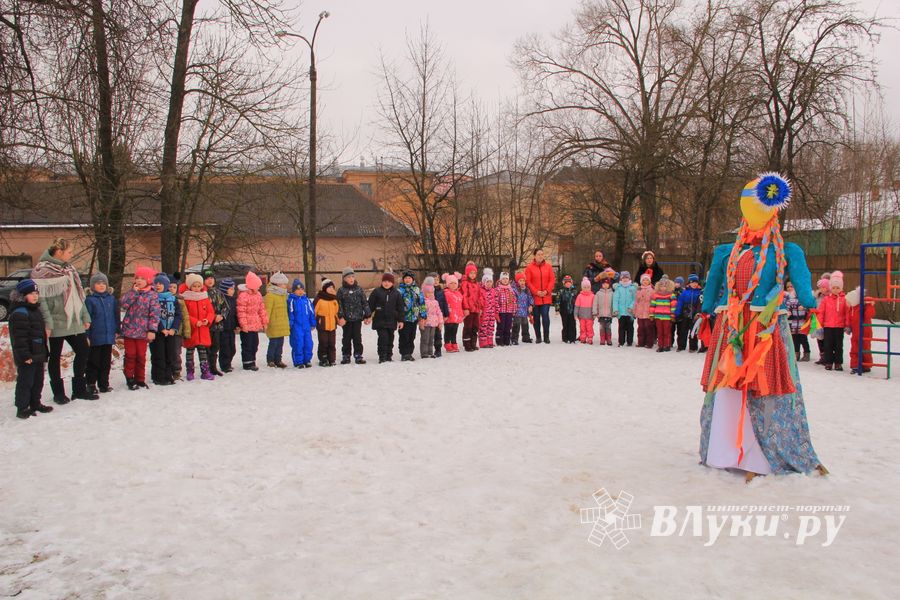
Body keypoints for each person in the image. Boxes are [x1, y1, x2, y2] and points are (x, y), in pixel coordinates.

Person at [699, 173, 825, 479]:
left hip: (765, 330)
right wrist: (705, 312)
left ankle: (761, 456)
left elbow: (803, 284)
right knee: (730, 385)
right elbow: (713, 284)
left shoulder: (786, 250)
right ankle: (726, 450)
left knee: (764, 387)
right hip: (733, 329)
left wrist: (811, 304)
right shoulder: (727, 251)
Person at [30, 238, 94, 403]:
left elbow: (78, 295)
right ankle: (58, 393)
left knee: (83, 350)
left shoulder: (69, 269)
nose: (71, 255)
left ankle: (79, 389)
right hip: (56, 321)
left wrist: (85, 316)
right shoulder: (41, 271)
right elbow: (41, 300)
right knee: (55, 356)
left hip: (73, 319)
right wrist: (48, 322)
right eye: (69, 252)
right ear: (59, 252)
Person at [8, 279, 54, 419]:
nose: (35, 296)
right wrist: (25, 355)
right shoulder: (20, 313)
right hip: (27, 355)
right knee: (25, 381)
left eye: (36, 293)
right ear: (23, 295)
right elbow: (19, 339)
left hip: (38, 353)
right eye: (31, 293)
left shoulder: (34, 310)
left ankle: (35, 403)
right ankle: (22, 407)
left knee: (37, 380)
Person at [119, 266, 161, 390]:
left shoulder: (152, 295)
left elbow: (155, 314)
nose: (139, 280)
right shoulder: (132, 292)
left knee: (141, 356)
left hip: (143, 331)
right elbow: (123, 304)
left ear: (148, 280)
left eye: (142, 278)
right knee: (130, 354)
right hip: (129, 330)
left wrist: (152, 330)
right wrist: (134, 293)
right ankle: (129, 377)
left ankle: (140, 378)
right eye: (137, 278)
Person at [84, 272, 119, 394]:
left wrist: (116, 330)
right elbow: (87, 319)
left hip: (108, 336)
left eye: (104, 283)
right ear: (93, 286)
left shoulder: (111, 298)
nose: (101, 285)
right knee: (93, 361)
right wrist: (86, 335)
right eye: (98, 283)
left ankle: (104, 383)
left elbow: (115, 315)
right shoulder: (90, 300)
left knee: (105, 362)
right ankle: (91, 384)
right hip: (95, 336)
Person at [180, 273, 216, 381]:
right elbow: (185, 314)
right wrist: (195, 322)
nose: (196, 288)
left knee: (203, 351)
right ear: (190, 286)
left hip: (203, 330)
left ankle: (205, 371)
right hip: (192, 329)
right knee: (190, 352)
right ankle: (190, 371)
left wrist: (207, 320)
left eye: (198, 286)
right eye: (194, 286)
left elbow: (211, 312)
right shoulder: (186, 298)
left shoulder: (204, 298)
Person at [150, 273, 181, 386]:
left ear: (166, 285)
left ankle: (168, 375)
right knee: (158, 355)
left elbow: (178, 315)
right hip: (159, 332)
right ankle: (158, 376)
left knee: (170, 354)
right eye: (156, 283)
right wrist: (161, 328)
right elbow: (153, 315)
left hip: (170, 332)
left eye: (160, 283)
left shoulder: (172, 299)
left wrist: (174, 328)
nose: (158, 285)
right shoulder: (153, 298)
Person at [336, 267, 371, 365]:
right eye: (348, 277)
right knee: (346, 338)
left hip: (357, 319)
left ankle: (358, 355)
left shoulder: (359, 289)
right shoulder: (341, 290)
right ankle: (346, 355)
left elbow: (364, 302)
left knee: (357, 337)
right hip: (346, 320)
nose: (351, 279)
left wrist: (368, 315)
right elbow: (339, 304)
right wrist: (341, 316)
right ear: (344, 279)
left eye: (352, 277)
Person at [368, 272, 405, 363]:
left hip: (392, 320)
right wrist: (367, 316)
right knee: (383, 338)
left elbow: (400, 308)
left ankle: (389, 355)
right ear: (382, 282)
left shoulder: (396, 293)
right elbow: (370, 305)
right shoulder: (377, 292)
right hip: (380, 320)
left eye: (389, 281)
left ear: (392, 283)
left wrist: (401, 320)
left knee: (390, 338)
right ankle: (382, 356)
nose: (386, 283)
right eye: (385, 281)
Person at [818, 270, 849, 372]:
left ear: (841, 288)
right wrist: (820, 324)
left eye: (838, 288)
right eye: (834, 288)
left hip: (839, 326)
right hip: (828, 326)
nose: (835, 290)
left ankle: (838, 363)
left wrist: (847, 324)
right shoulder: (826, 299)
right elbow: (821, 312)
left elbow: (847, 312)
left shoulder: (844, 299)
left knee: (838, 346)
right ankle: (828, 362)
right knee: (828, 345)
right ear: (830, 288)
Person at [237, 271, 268, 371]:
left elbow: (261, 309)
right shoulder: (243, 296)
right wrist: (244, 325)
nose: (259, 288)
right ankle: (247, 362)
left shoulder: (258, 295)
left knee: (255, 343)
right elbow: (241, 312)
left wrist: (264, 322)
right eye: (257, 286)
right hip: (246, 325)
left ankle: (252, 360)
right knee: (247, 344)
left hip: (254, 324)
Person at [525, 249, 556, 344]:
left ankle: (546, 337)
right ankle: (538, 337)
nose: (540, 256)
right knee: (536, 318)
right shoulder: (529, 268)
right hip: (535, 297)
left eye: (542, 254)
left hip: (546, 297)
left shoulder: (548, 267)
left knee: (545, 317)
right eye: (538, 254)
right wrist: (536, 292)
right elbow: (528, 282)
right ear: (534, 256)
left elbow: (552, 280)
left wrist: (547, 291)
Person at [203, 270, 228, 376]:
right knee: (206, 348)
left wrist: (221, 316)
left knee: (215, 347)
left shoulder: (218, 293)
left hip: (217, 325)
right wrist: (212, 317)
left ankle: (213, 367)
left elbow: (226, 307)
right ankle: (206, 368)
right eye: (208, 278)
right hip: (206, 325)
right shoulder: (202, 293)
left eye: (212, 278)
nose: (210, 280)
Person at [263, 272, 290, 369]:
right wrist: (265, 322)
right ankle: (270, 360)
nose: (285, 286)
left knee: (280, 343)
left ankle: (278, 359)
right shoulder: (270, 295)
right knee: (273, 343)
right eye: (284, 284)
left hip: (281, 323)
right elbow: (267, 310)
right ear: (277, 284)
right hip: (274, 324)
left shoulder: (283, 295)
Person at [397, 270, 426, 361]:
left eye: (409, 278)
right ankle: (404, 353)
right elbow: (396, 304)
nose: (407, 279)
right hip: (404, 318)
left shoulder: (417, 289)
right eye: (405, 278)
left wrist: (423, 314)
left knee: (411, 336)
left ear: (412, 279)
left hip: (414, 318)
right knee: (404, 336)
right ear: (403, 279)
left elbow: (421, 302)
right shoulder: (399, 290)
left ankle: (409, 352)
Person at [287, 279, 316, 368]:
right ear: (294, 291)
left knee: (308, 343)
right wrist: (290, 324)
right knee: (298, 343)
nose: (300, 291)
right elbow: (291, 313)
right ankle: (298, 361)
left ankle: (307, 360)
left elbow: (311, 312)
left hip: (306, 326)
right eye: (298, 290)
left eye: (302, 289)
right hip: (297, 326)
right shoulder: (292, 301)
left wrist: (312, 323)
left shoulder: (306, 300)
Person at [846, 286, 875, 374]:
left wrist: (869, 305)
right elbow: (850, 318)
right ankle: (855, 365)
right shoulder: (852, 308)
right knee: (854, 349)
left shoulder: (864, 306)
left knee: (865, 348)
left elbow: (869, 315)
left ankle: (866, 365)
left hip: (865, 332)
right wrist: (848, 326)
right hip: (855, 333)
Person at [314, 279, 339, 367]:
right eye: (329, 287)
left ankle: (331, 359)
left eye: (332, 287)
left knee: (332, 342)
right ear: (324, 288)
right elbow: (314, 312)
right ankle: (323, 358)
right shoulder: (319, 299)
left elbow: (336, 312)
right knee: (323, 342)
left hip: (332, 324)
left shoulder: (334, 300)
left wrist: (339, 321)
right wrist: (313, 322)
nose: (331, 289)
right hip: (322, 324)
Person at [675, 274, 703, 352]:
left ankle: (693, 347)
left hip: (695, 315)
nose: (694, 284)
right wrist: (677, 313)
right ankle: (681, 346)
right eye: (693, 282)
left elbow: (701, 303)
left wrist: (699, 313)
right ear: (689, 283)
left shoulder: (700, 292)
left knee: (694, 331)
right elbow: (680, 303)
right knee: (682, 331)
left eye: (696, 282)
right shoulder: (684, 292)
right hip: (685, 314)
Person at [460, 262, 484, 352]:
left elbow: (480, 296)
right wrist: (465, 308)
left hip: (476, 309)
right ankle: (467, 344)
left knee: (475, 327)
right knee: (468, 327)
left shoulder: (477, 284)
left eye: (474, 273)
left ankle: (473, 344)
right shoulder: (465, 284)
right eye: (471, 273)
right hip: (469, 310)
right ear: (467, 273)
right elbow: (464, 297)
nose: (473, 275)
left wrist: (480, 307)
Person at [785, 280, 810, 362]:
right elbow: (788, 308)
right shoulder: (791, 301)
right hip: (794, 323)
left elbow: (809, 308)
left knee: (803, 339)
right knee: (795, 339)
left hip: (802, 322)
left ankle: (807, 353)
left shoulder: (804, 300)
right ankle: (796, 353)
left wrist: (805, 308)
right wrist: (788, 312)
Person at [650, 276, 677, 352]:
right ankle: (660, 345)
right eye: (661, 286)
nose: (663, 288)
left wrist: (672, 315)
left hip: (667, 317)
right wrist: (651, 315)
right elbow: (652, 306)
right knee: (660, 332)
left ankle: (667, 345)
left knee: (667, 332)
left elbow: (673, 306)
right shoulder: (655, 295)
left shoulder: (671, 295)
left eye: (665, 286)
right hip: (658, 316)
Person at [420, 278, 444, 358]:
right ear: (424, 293)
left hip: (434, 323)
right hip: (426, 323)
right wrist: (421, 322)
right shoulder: (423, 302)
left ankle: (430, 352)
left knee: (431, 338)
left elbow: (439, 312)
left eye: (432, 292)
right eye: (428, 293)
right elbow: (421, 313)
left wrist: (440, 322)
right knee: (425, 338)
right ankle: (424, 353)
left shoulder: (435, 302)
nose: (430, 294)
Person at [218, 278, 238, 372]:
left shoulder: (233, 300)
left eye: (233, 289)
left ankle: (229, 362)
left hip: (231, 327)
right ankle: (225, 365)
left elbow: (235, 313)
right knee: (225, 347)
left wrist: (237, 324)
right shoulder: (221, 299)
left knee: (232, 348)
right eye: (231, 289)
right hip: (223, 328)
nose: (233, 291)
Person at [612, 271, 636, 347]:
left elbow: (635, 299)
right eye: (623, 278)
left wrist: (631, 307)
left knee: (630, 328)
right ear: (621, 279)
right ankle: (621, 341)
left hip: (630, 312)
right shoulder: (618, 288)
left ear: (629, 278)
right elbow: (615, 299)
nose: (625, 279)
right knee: (621, 327)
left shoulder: (632, 288)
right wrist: (615, 309)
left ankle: (629, 341)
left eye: (626, 277)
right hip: (621, 312)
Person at [441, 272, 464, 353]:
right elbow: (443, 305)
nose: (453, 285)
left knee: (454, 331)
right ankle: (447, 344)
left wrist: (461, 314)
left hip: (456, 316)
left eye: (455, 283)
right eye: (451, 283)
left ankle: (454, 343)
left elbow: (460, 305)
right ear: (447, 284)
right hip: (448, 316)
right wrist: (444, 314)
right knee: (448, 331)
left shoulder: (459, 294)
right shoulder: (445, 293)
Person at [429, 271, 450, 357]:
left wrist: (446, 314)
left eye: (437, 279)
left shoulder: (441, 291)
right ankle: (428, 350)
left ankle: (438, 350)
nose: (436, 281)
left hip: (439, 315)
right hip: (430, 316)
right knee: (430, 334)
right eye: (434, 280)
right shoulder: (428, 290)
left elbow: (444, 302)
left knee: (438, 334)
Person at [495, 272, 517, 347]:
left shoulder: (511, 290)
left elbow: (514, 301)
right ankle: (499, 340)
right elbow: (496, 301)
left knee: (508, 326)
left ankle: (507, 340)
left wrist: (514, 311)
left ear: (508, 280)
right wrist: (497, 311)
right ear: (500, 280)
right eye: (503, 279)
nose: (505, 280)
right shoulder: (498, 289)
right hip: (501, 312)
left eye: (506, 279)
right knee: (501, 326)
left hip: (509, 312)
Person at [511, 272, 534, 344]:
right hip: (517, 311)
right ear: (517, 281)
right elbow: (513, 299)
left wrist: (531, 305)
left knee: (525, 325)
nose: (522, 282)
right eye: (520, 281)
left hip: (525, 311)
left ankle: (526, 337)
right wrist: (515, 305)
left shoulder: (527, 290)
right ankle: (514, 339)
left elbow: (530, 298)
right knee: (516, 325)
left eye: (523, 280)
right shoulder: (514, 290)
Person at [592, 277, 615, 346]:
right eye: (604, 284)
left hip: (609, 314)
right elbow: (595, 303)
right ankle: (602, 339)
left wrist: (614, 311)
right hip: (601, 314)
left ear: (609, 285)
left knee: (608, 327)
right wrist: (595, 312)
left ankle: (608, 339)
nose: (605, 285)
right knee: (602, 327)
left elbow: (613, 303)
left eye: (607, 284)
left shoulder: (612, 293)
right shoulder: (598, 293)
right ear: (601, 284)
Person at [478, 268, 498, 348]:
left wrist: (497, 310)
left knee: (491, 327)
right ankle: (483, 342)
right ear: (483, 283)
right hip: (484, 313)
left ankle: (490, 341)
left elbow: (496, 301)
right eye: (487, 282)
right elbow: (479, 301)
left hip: (492, 313)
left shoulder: (494, 291)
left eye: (490, 282)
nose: (489, 283)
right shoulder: (481, 291)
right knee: (483, 327)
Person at [557, 275, 577, 344]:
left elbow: (577, 301)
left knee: (572, 324)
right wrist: (557, 309)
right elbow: (557, 300)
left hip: (572, 310)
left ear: (571, 283)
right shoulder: (561, 291)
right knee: (565, 324)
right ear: (564, 283)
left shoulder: (574, 291)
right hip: (564, 310)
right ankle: (565, 337)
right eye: (566, 283)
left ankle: (572, 338)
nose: (568, 284)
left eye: (569, 283)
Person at [574, 277, 595, 344]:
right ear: (582, 288)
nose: (586, 289)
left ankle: (590, 338)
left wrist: (594, 314)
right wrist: (575, 314)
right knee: (582, 328)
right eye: (585, 287)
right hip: (582, 316)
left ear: (590, 287)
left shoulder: (592, 296)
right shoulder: (580, 296)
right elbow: (577, 306)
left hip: (590, 316)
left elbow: (595, 306)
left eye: (588, 287)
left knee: (589, 328)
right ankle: (583, 337)